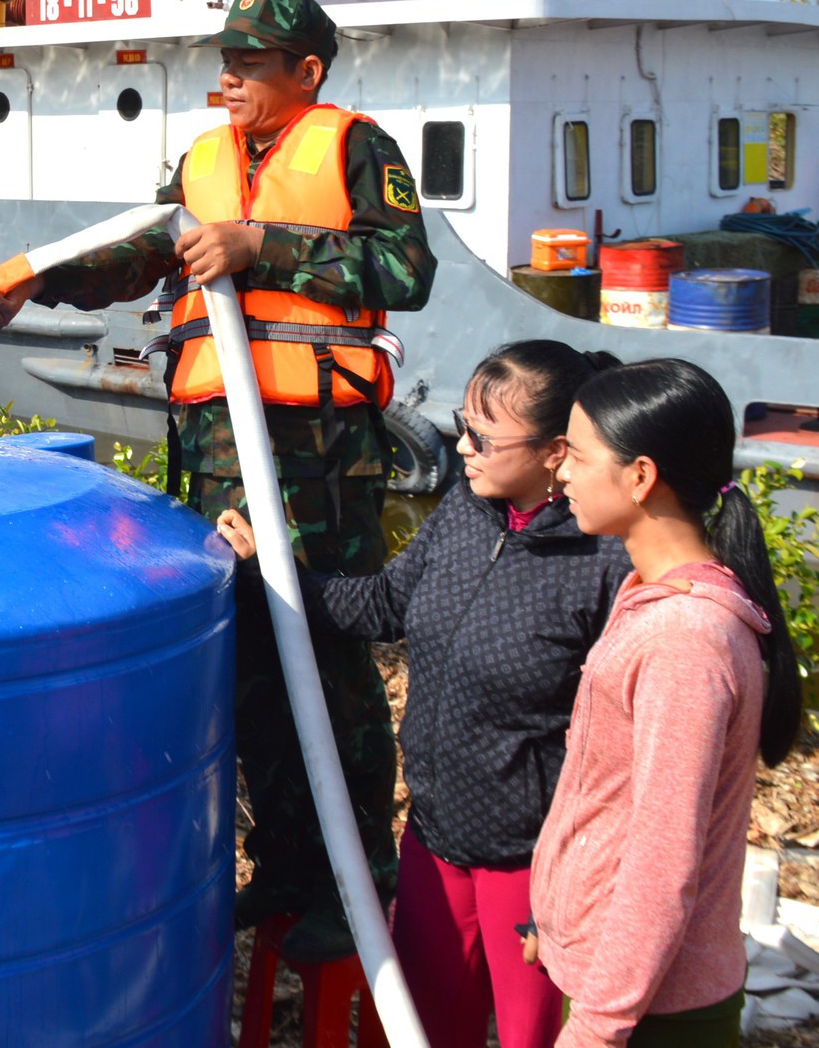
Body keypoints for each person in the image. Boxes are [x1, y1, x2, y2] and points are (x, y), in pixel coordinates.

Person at [0, 0, 435, 961]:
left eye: (250, 64)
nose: (231, 78)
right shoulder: (205, 159)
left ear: (306, 72)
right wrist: (34, 277)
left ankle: (365, 871)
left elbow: (406, 270)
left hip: (318, 449)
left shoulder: (355, 147)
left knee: (325, 651)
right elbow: (143, 251)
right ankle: (288, 859)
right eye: (227, 59)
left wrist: (267, 246)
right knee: (244, 648)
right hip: (215, 444)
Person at [216, 341, 630, 1048]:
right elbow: (380, 605)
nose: (459, 447)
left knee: (533, 1033)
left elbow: (618, 751)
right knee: (426, 1027)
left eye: (483, 436)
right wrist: (269, 572)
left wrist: (572, 889)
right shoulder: (465, 512)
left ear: (556, 450)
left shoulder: (605, 562)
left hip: (532, 866)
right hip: (435, 839)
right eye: (460, 425)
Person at [530, 358, 802, 1047]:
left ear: (640, 475)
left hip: (649, 1011)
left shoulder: (684, 639)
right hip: (621, 984)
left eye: (577, 455)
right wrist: (560, 921)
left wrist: (595, 1025)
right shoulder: (652, 596)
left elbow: (661, 862)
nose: (558, 472)